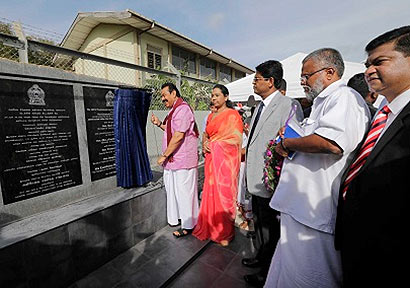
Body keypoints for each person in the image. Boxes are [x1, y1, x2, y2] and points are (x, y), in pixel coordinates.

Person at [265, 48, 370, 287]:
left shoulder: (344, 98)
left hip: (314, 211)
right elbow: (315, 137)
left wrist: (289, 142)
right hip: (299, 208)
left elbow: (331, 143)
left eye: (306, 76)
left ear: (330, 72)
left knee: (310, 278)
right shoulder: (324, 102)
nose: (302, 82)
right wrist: (294, 136)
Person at [335, 26, 410, 287]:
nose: (368, 70)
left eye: (380, 62)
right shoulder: (381, 114)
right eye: (368, 64)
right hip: (359, 242)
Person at [242, 60, 301, 287]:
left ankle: (267, 272)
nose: (254, 84)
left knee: (270, 228)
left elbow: (291, 141)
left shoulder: (289, 105)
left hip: (271, 179)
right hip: (254, 176)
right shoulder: (259, 106)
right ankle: (259, 257)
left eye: (257, 79)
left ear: (271, 81)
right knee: (258, 221)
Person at [192, 84, 243, 246]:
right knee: (210, 192)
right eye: (212, 95)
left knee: (224, 195)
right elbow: (206, 134)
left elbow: (236, 140)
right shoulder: (211, 115)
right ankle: (210, 227)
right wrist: (206, 142)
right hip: (211, 161)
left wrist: (214, 145)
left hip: (225, 164)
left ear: (226, 97)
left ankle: (223, 233)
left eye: (217, 95)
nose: (213, 98)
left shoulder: (232, 115)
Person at [151, 83, 200, 238]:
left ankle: (188, 225)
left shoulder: (183, 109)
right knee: (173, 191)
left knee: (184, 193)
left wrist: (164, 155)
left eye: (165, 95)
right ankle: (177, 219)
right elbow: (171, 130)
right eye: (161, 96)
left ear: (174, 93)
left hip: (183, 161)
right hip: (173, 162)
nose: (163, 99)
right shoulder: (173, 110)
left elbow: (178, 136)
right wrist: (159, 123)